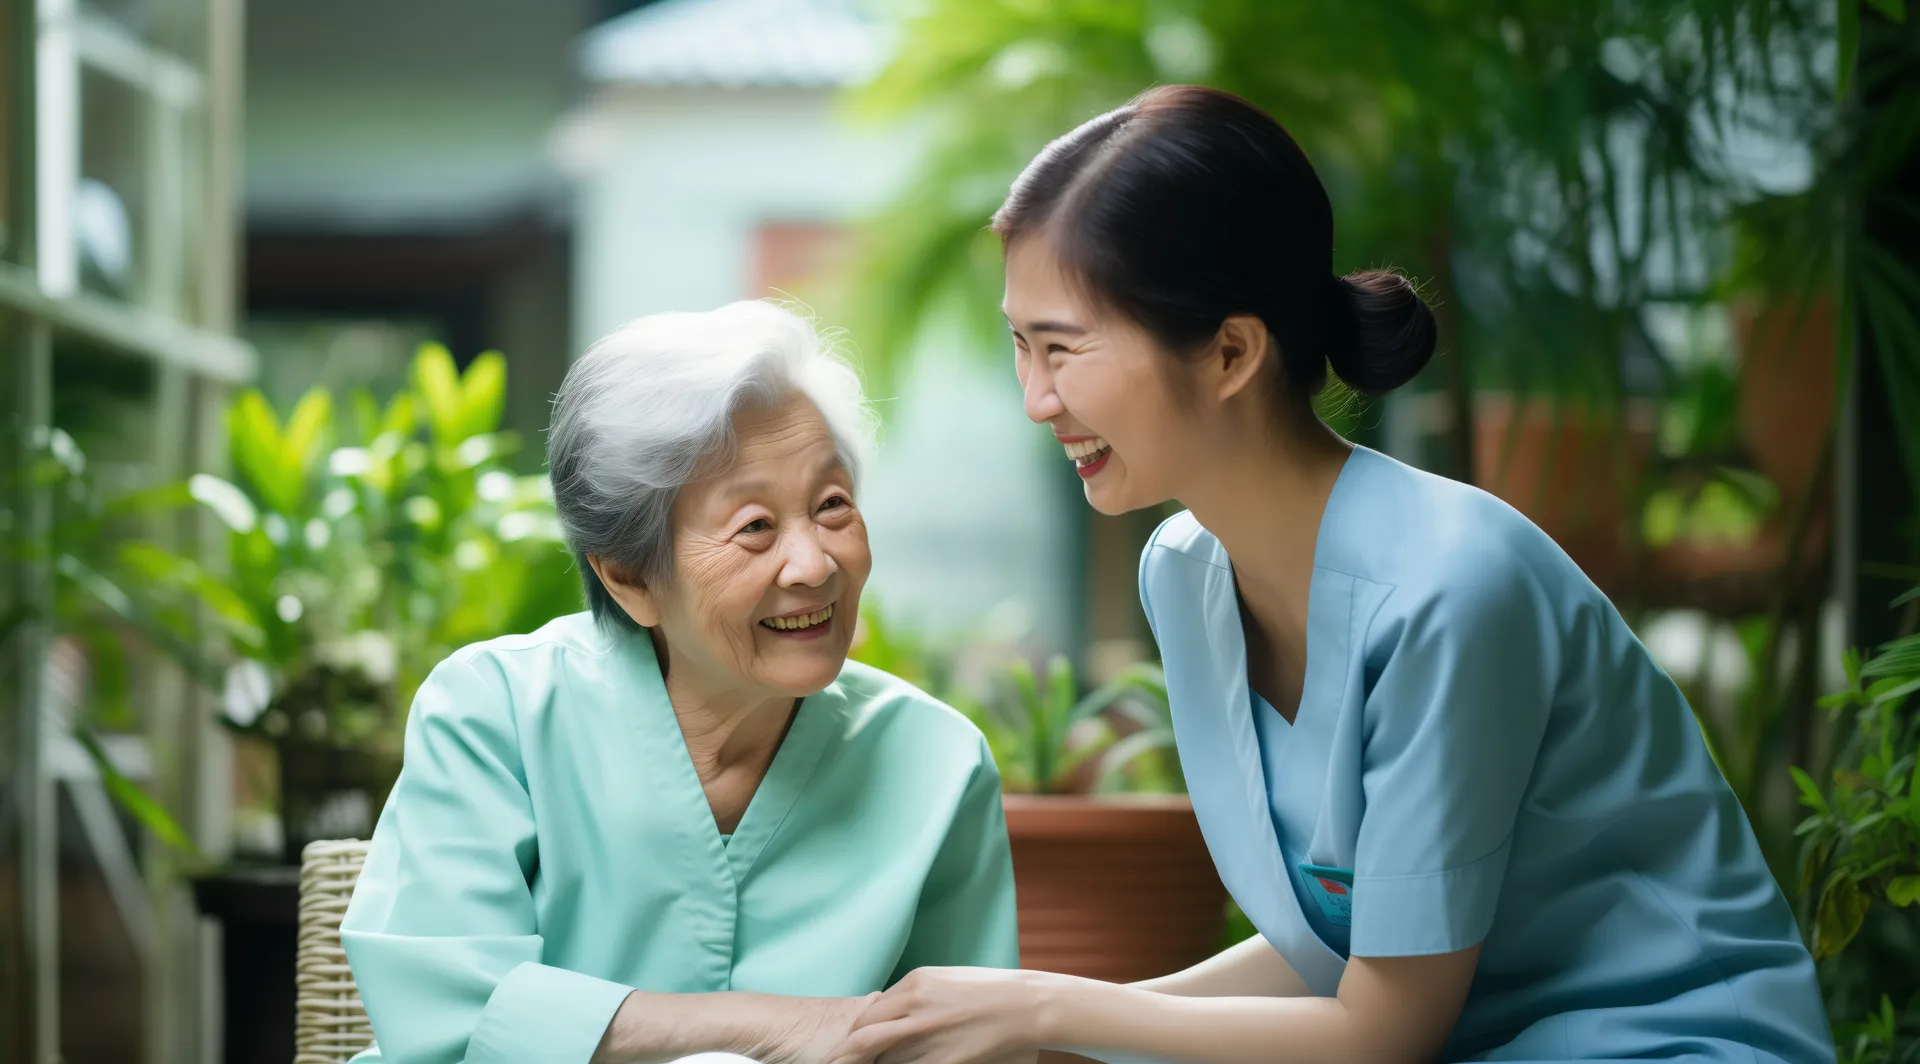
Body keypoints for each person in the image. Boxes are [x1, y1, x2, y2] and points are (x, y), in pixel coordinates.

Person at [827, 85, 1835, 1064]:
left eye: (1063, 348)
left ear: (1231, 353)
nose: (1037, 399)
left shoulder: (1449, 589)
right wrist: (1040, 1029)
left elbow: (1382, 1029)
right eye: (1020, 345)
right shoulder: (1184, 576)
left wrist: (1045, 1007)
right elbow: (1344, 950)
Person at [339, 301, 1019, 1064]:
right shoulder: (495, 713)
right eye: (755, 527)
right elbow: (452, 1018)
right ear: (629, 577)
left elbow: (972, 1047)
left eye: (832, 506)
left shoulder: (937, 760)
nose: (814, 565)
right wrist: (774, 1027)